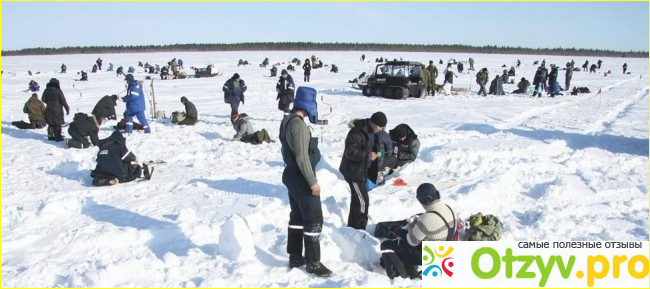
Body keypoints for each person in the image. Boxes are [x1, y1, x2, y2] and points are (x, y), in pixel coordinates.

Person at [279, 86, 332, 277]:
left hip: (291, 175)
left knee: (297, 217)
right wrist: (312, 182)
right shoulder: (299, 125)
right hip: (301, 177)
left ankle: (295, 256)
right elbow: (302, 157)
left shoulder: (286, 121)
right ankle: (313, 262)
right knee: (313, 220)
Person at [376, 183, 456, 279]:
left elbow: (411, 241)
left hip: (431, 254)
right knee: (406, 244)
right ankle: (409, 265)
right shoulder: (448, 208)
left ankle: (399, 275)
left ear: (423, 200)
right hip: (444, 249)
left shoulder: (427, 218)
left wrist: (399, 230)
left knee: (386, 245)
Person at [339, 111, 388, 230]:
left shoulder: (374, 133)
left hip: (363, 171)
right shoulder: (356, 132)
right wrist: (367, 155)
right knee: (363, 201)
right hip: (354, 172)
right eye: (380, 127)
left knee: (357, 199)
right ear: (374, 123)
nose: (381, 129)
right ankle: (360, 228)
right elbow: (350, 152)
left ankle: (352, 228)